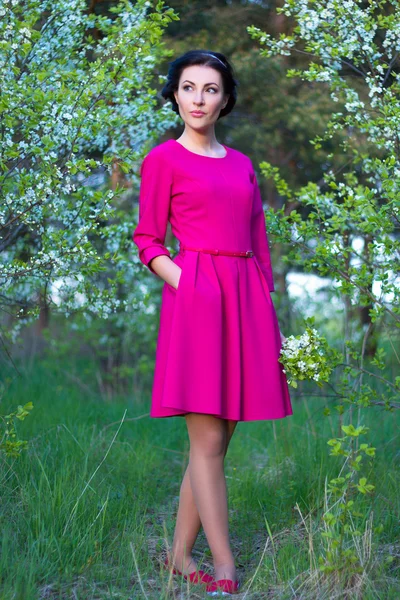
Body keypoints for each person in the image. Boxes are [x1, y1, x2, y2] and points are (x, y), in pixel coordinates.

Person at [132, 49, 293, 597]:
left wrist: (263, 308)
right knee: (204, 436)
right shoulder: (164, 160)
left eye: (210, 89)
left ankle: (178, 554)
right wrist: (189, 284)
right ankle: (224, 563)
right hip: (197, 296)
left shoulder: (243, 164)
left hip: (246, 300)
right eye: (188, 87)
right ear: (174, 94)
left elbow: (259, 242)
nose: (198, 99)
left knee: (220, 438)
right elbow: (147, 241)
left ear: (226, 99)